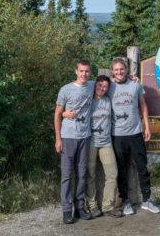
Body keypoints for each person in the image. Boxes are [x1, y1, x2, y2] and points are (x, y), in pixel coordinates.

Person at [64, 75, 123, 218]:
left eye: (105, 87)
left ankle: (107, 206)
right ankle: (92, 206)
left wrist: (133, 78)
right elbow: (71, 108)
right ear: (94, 85)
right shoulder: (88, 100)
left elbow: (120, 82)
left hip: (106, 143)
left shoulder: (108, 101)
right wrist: (64, 114)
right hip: (90, 142)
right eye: (99, 85)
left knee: (112, 174)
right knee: (90, 175)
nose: (101, 89)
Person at [109, 57, 160, 215]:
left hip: (136, 132)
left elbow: (143, 105)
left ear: (126, 70)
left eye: (122, 69)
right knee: (121, 169)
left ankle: (147, 200)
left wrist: (146, 126)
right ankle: (125, 201)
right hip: (117, 135)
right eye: (116, 70)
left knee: (142, 167)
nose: (119, 72)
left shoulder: (135, 84)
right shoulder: (108, 87)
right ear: (112, 71)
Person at [54, 60, 94, 224]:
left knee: (82, 174)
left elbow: (112, 81)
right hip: (68, 136)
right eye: (81, 71)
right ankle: (66, 210)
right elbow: (57, 114)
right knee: (66, 175)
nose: (84, 74)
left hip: (85, 136)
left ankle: (79, 207)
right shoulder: (65, 89)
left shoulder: (92, 85)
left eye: (87, 71)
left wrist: (133, 79)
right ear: (76, 71)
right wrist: (58, 138)